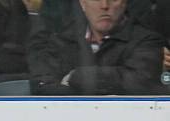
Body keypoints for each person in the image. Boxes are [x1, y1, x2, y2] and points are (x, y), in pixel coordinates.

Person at [31, 0, 164, 95]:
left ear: (125, 3)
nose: (104, 5)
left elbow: (140, 81)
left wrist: (77, 77)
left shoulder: (147, 40)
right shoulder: (62, 40)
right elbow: (42, 84)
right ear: (82, 4)